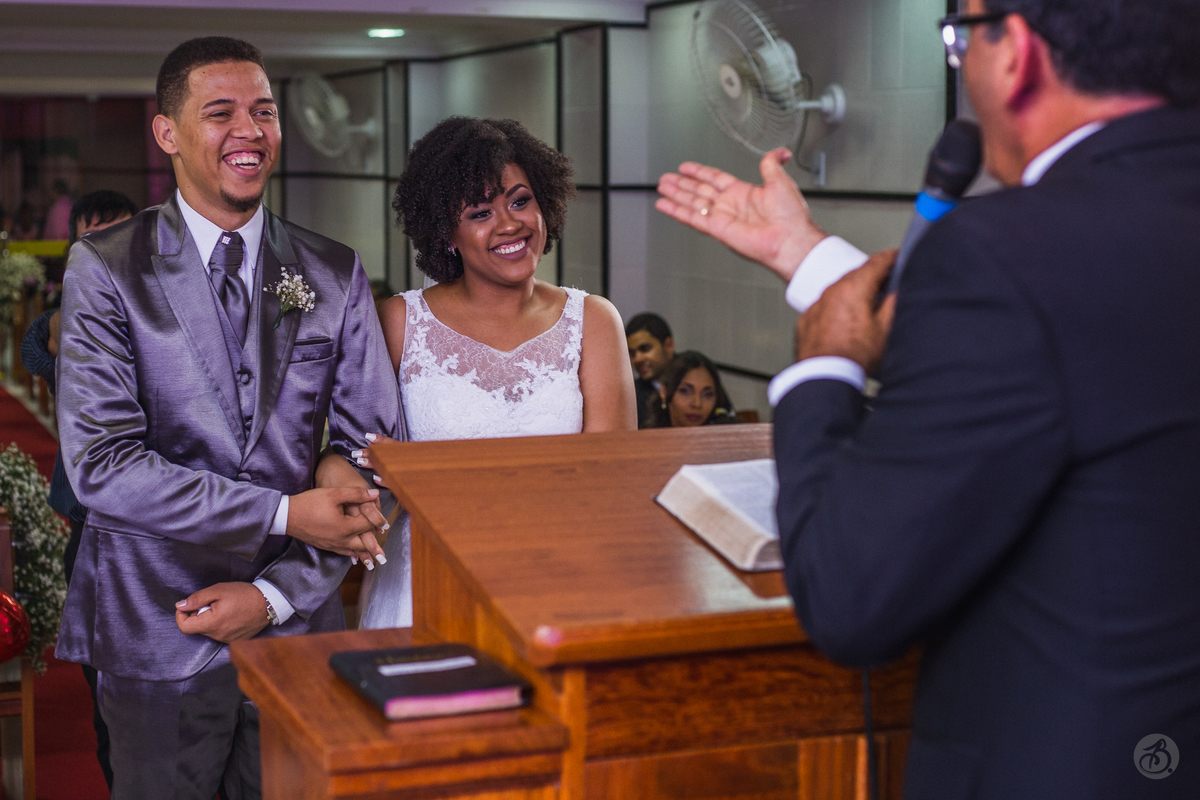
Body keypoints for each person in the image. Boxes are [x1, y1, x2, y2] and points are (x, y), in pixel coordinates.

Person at [656, 0, 1200, 797]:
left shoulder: (1002, 252)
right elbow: (1081, 354)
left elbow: (852, 598)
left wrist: (823, 365)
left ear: (1014, 53)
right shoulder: (1114, 233)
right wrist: (808, 257)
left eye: (959, 41)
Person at [54, 37, 401, 800]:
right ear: (167, 132)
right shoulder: (108, 268)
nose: (250, 131)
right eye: (221, 113)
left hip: (295, 630)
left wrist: (276, 597)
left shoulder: (330, 270)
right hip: (155, 624)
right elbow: (104, 468)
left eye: (265, 112)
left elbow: (375, 452)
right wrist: (286, 513)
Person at [335, 116, 636, 630]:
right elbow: (360, 455)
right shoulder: (400, 323)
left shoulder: (594, 321)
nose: (509, 224)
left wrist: (430, 473)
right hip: (428, 579)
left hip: (561, 579)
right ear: (445, 233)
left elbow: (609, 479)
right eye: (480, 212)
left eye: (520, 201)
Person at [18, 188, 137, 790]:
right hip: (90, 514)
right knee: (99, 657)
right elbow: (37, 352)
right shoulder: (70, 309)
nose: (102, 249)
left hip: (153, 511)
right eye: (89, 238)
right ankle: (118, 767)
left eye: (113, 235)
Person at [646, 350, 739, 428]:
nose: (697, 404)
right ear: (664, 391)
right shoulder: (644, 441)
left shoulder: (727, 439)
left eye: (708, 394)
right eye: (685, 391)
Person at [625, 312, 675, 427]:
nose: (637, 359)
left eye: (645, 349)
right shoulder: (632, 395)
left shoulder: (694, 378)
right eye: (632, 353)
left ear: (668, 345)